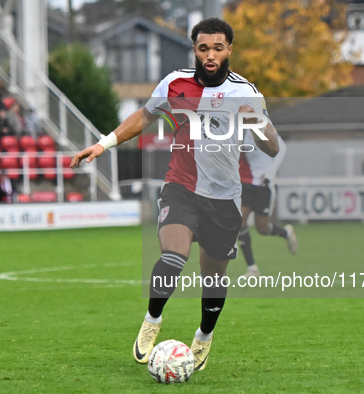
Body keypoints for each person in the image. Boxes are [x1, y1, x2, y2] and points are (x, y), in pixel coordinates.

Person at [71, 18, 279, 371]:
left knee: (213, 276)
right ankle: (152, 320)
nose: (210, 55)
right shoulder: (174, 83)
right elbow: (144, 116)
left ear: (229, 49)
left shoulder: (246, 92)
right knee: (174, 255)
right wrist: (104, 144)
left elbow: (272, 147)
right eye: (203, 48)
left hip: (224, 199)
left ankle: (203, 337)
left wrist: (256, 123)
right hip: (180, 186)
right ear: (194, 50)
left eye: (217, 48)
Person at [237, 133, 297, 279]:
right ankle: (252, 268)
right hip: (245, 183)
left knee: (262, 228)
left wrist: (270, 174)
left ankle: (287, 234)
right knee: (239, 223)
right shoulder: (234, 128)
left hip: (264, 184)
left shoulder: (260, 124)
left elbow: (282, 147)